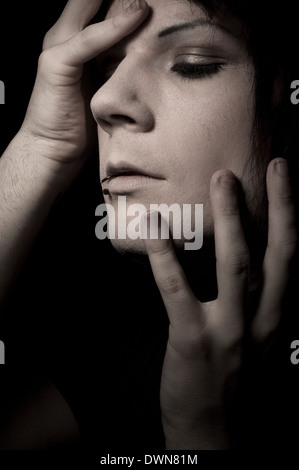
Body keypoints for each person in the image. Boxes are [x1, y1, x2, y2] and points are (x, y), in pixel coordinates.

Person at [0, 0, 299, 453]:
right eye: (105, 69)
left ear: (285, 96)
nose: (103, 100)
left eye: (191, 65)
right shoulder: (147, 340)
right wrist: (40, 146)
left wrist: (201, 435)